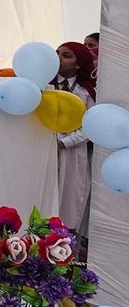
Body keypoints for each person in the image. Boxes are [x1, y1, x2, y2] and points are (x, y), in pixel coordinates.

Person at [53, 41, 97, 238]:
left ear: (78, 64)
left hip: (73, 153)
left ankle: (64, 247)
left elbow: (91, 127)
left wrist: (65, 142)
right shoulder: (43, 85)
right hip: (43, 149)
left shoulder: (86, 91)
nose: (59, 59)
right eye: (57, 53)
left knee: (70, 201)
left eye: (66, 56)